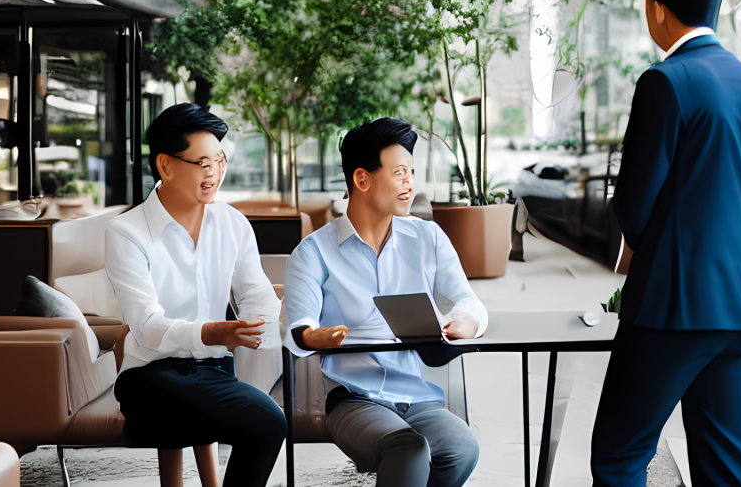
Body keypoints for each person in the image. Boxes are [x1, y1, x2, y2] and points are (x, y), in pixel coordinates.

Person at [590, 0, 741, 486]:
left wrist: (664, 257)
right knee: (726, 465)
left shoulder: (665, 82)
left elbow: (635, 203)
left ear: (655, 5)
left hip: (670, 309)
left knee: (620, 455)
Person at [284, 117, 486, 487]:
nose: (410, 183)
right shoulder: (313, 253)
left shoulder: (427, 236)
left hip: (417, 396)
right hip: (354, 400)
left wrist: (464, 321)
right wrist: (318, 337)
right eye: (399, 172)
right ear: (362, 179)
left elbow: (468, 301)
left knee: (461, 449)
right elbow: (299, 328)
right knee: (407, 449)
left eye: (410, 171)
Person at [105, 103, 286, 487]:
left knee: (268, 422)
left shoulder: (232, 222)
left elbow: (256, 293)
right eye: (203, 163)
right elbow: (147, 327)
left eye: (219, 160)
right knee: (265, 423)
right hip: (149, 377)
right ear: (166, 166)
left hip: (212, 371)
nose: (215, 173)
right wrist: (213, 333)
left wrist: (262, 326)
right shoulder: (126, 232)